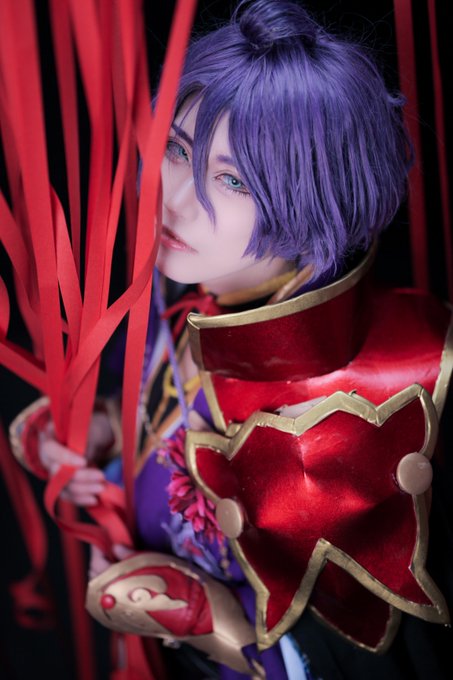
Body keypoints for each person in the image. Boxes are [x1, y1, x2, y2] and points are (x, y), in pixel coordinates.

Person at [11, 0, 453, 678]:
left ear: (317, 201)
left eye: (233, 179)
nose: (174, 198)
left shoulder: (353, 413)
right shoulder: (192, 298)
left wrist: (201, 617)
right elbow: (163, 416)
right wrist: (100, 437)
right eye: (176, 150)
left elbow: (347, 658)